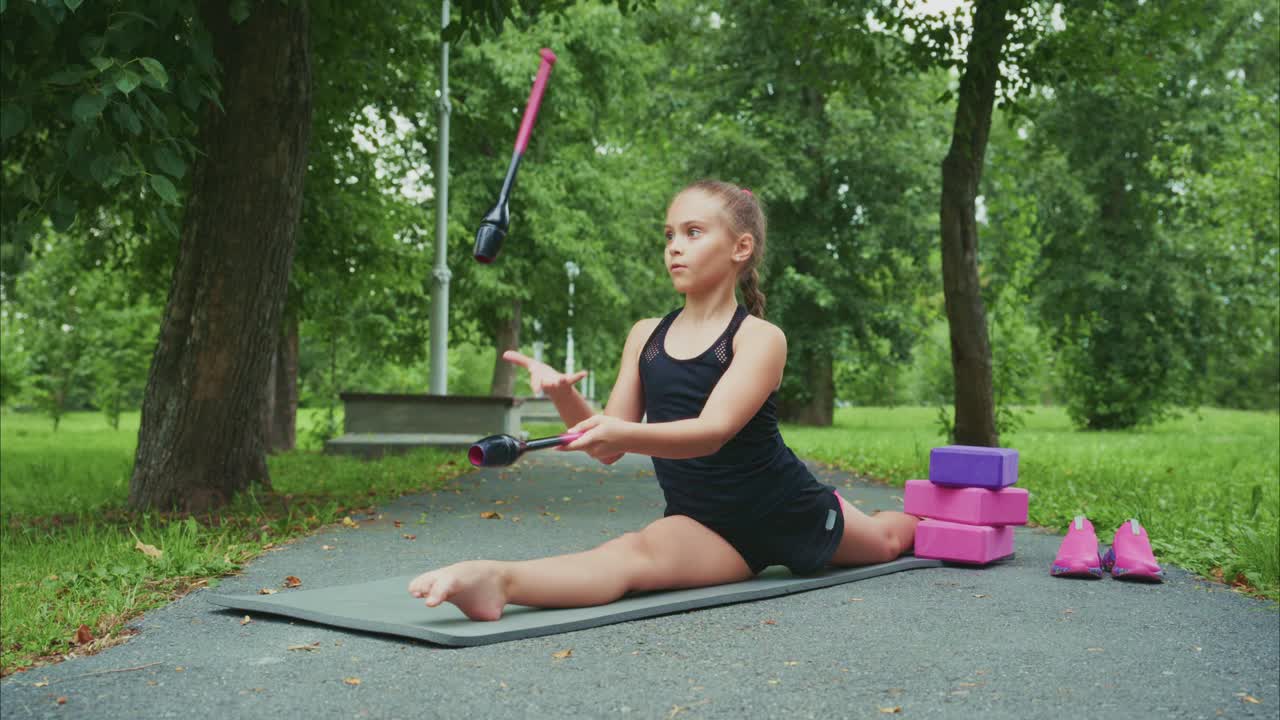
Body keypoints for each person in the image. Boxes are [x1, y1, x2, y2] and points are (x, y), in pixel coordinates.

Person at [408, 179, 921, 620]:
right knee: (628, 557)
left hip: (786, 508)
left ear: (741, 248)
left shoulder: (760, 338)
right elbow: (606, 444)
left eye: (694, 233)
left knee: (888, 542)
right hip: (704, 523)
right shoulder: (645, 335)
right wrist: (565, 398)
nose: (675, 246)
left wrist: (619, 431)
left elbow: (711, 431)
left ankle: (936, 515)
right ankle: (497, 581)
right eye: (670, 235)